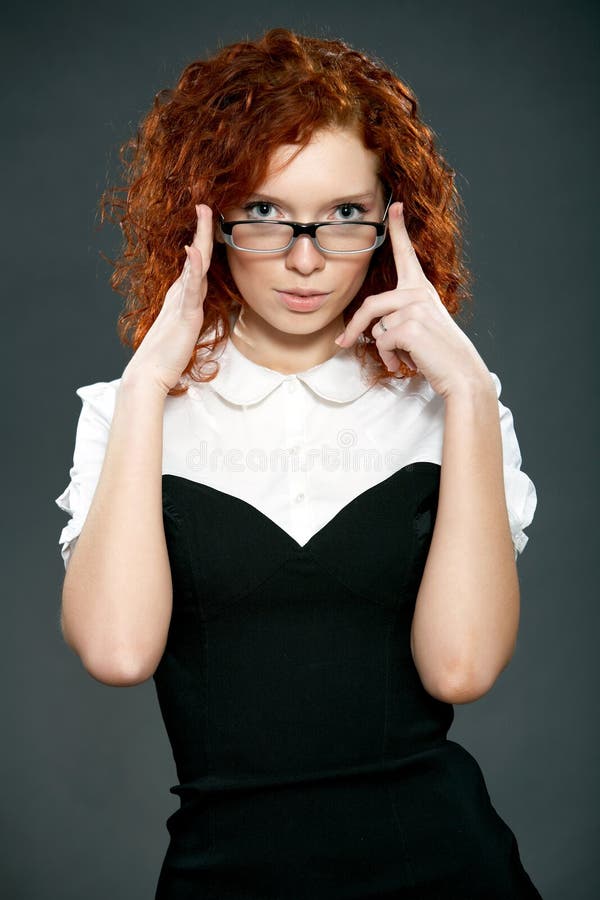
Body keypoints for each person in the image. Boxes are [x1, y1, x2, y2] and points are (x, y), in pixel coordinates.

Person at [54, 26, 542, 899]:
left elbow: (460, 668)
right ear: (203, 216)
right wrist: (147, 387)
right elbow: (118, 649)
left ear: (394, 221)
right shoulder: (129, 411)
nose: (307, 258)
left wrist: (468, 390)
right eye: (269, 214)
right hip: (223, 876)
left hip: (448, 871)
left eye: (346, 216)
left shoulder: (455, 408)